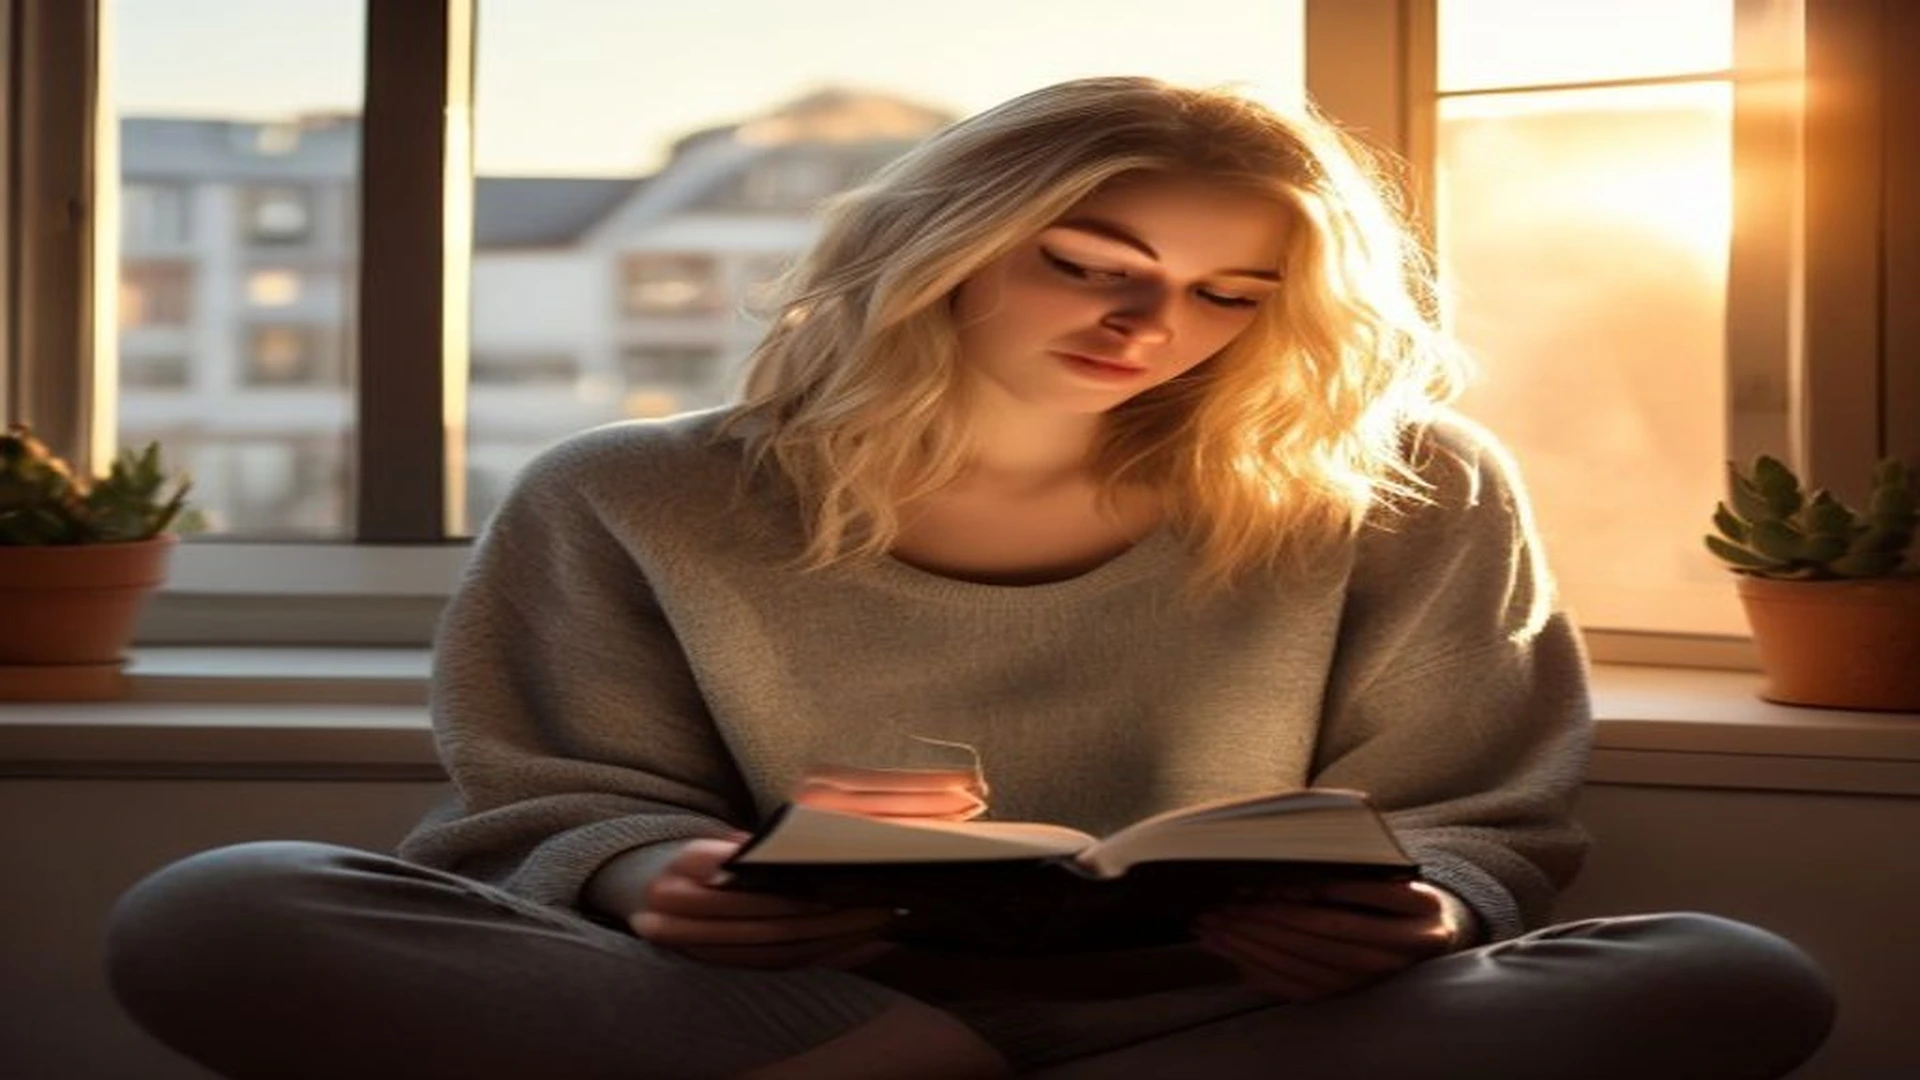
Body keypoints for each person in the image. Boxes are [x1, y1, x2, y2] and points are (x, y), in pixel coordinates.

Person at [104, 76, 1834, 1080]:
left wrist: (1426, 904)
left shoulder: (1411, 492)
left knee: (1733, 975)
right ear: (936, 249)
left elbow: (1480, 815)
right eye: (1089, 263)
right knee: (214, 905)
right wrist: (654, 882)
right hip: (786, 1011)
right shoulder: (629, 496)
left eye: (1232, 296)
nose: (1151, 328)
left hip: (1228, 1014)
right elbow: (550, 809)